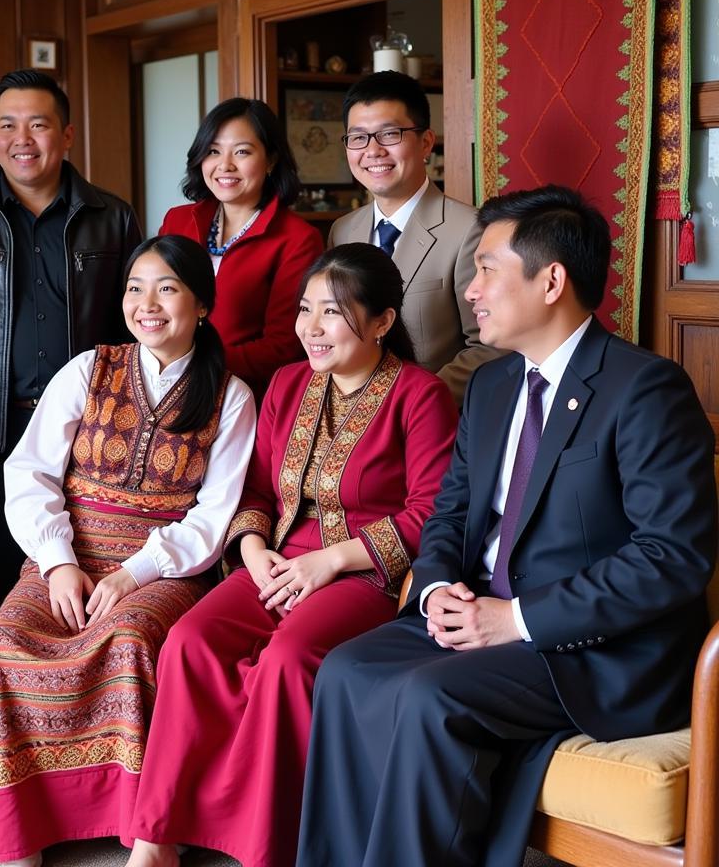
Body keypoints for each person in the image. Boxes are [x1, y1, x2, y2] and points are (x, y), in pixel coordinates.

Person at [297, 185, 718, 867]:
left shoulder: (645, 390)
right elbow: (449, 515)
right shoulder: (492, 388)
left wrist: (515, 619)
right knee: (343, 670)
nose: (471, 289)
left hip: (595, 652)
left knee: (429, 697)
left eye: (488, 268)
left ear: (551, 280)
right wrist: (434, 591)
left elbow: (671, 557)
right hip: (483, 619)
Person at [126, 243, 459, 867]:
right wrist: (252, 550)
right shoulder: (285, 383)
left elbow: (431, 514)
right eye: (305, 310)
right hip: (276, 560)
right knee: (189, 641)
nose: (311, 327)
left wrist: (332, 562)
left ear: (383, 320)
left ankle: (265, 847)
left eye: (332, 312)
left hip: (366, 574)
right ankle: (157, 833)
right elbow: (254, 490)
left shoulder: (421, 395)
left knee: (286, 660)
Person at [0, 235, 257, 867]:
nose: (146, 304)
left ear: (202, 304)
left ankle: (141, 825)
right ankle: (23, 829)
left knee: (127, 641)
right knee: (2, 645)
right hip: (67, 552)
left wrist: (134, 573)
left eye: (167, 288)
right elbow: (30, 472)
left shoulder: (230, 396)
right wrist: (58, 561)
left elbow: (215, 515)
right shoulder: (88, 368)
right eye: (135, 287)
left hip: (163, 567)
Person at [0, 69, 142, 757]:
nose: (23, 140)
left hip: (86, 438)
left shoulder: (112, 216)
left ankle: (73, 722)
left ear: (68, 134)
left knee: (81, 574)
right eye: (8, 125)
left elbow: (132, 326)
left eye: (40, 124)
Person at [328, 71, 497, 403]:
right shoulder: (342, 231)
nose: (373, 151)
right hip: (352, 417)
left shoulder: (471, 229)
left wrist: (409, 403)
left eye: (389, 134)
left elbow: (490, 346)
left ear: (426, 143)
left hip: (432, 420)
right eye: (358, 137)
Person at [160, 97, 323, 402]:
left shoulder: (298, 239)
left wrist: (194, 364)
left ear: (271, 159)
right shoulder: (177, 220)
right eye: (213, 151)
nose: (225, 165)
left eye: (242, 152)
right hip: (167, 389)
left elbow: (283, 345)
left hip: (244, 398)